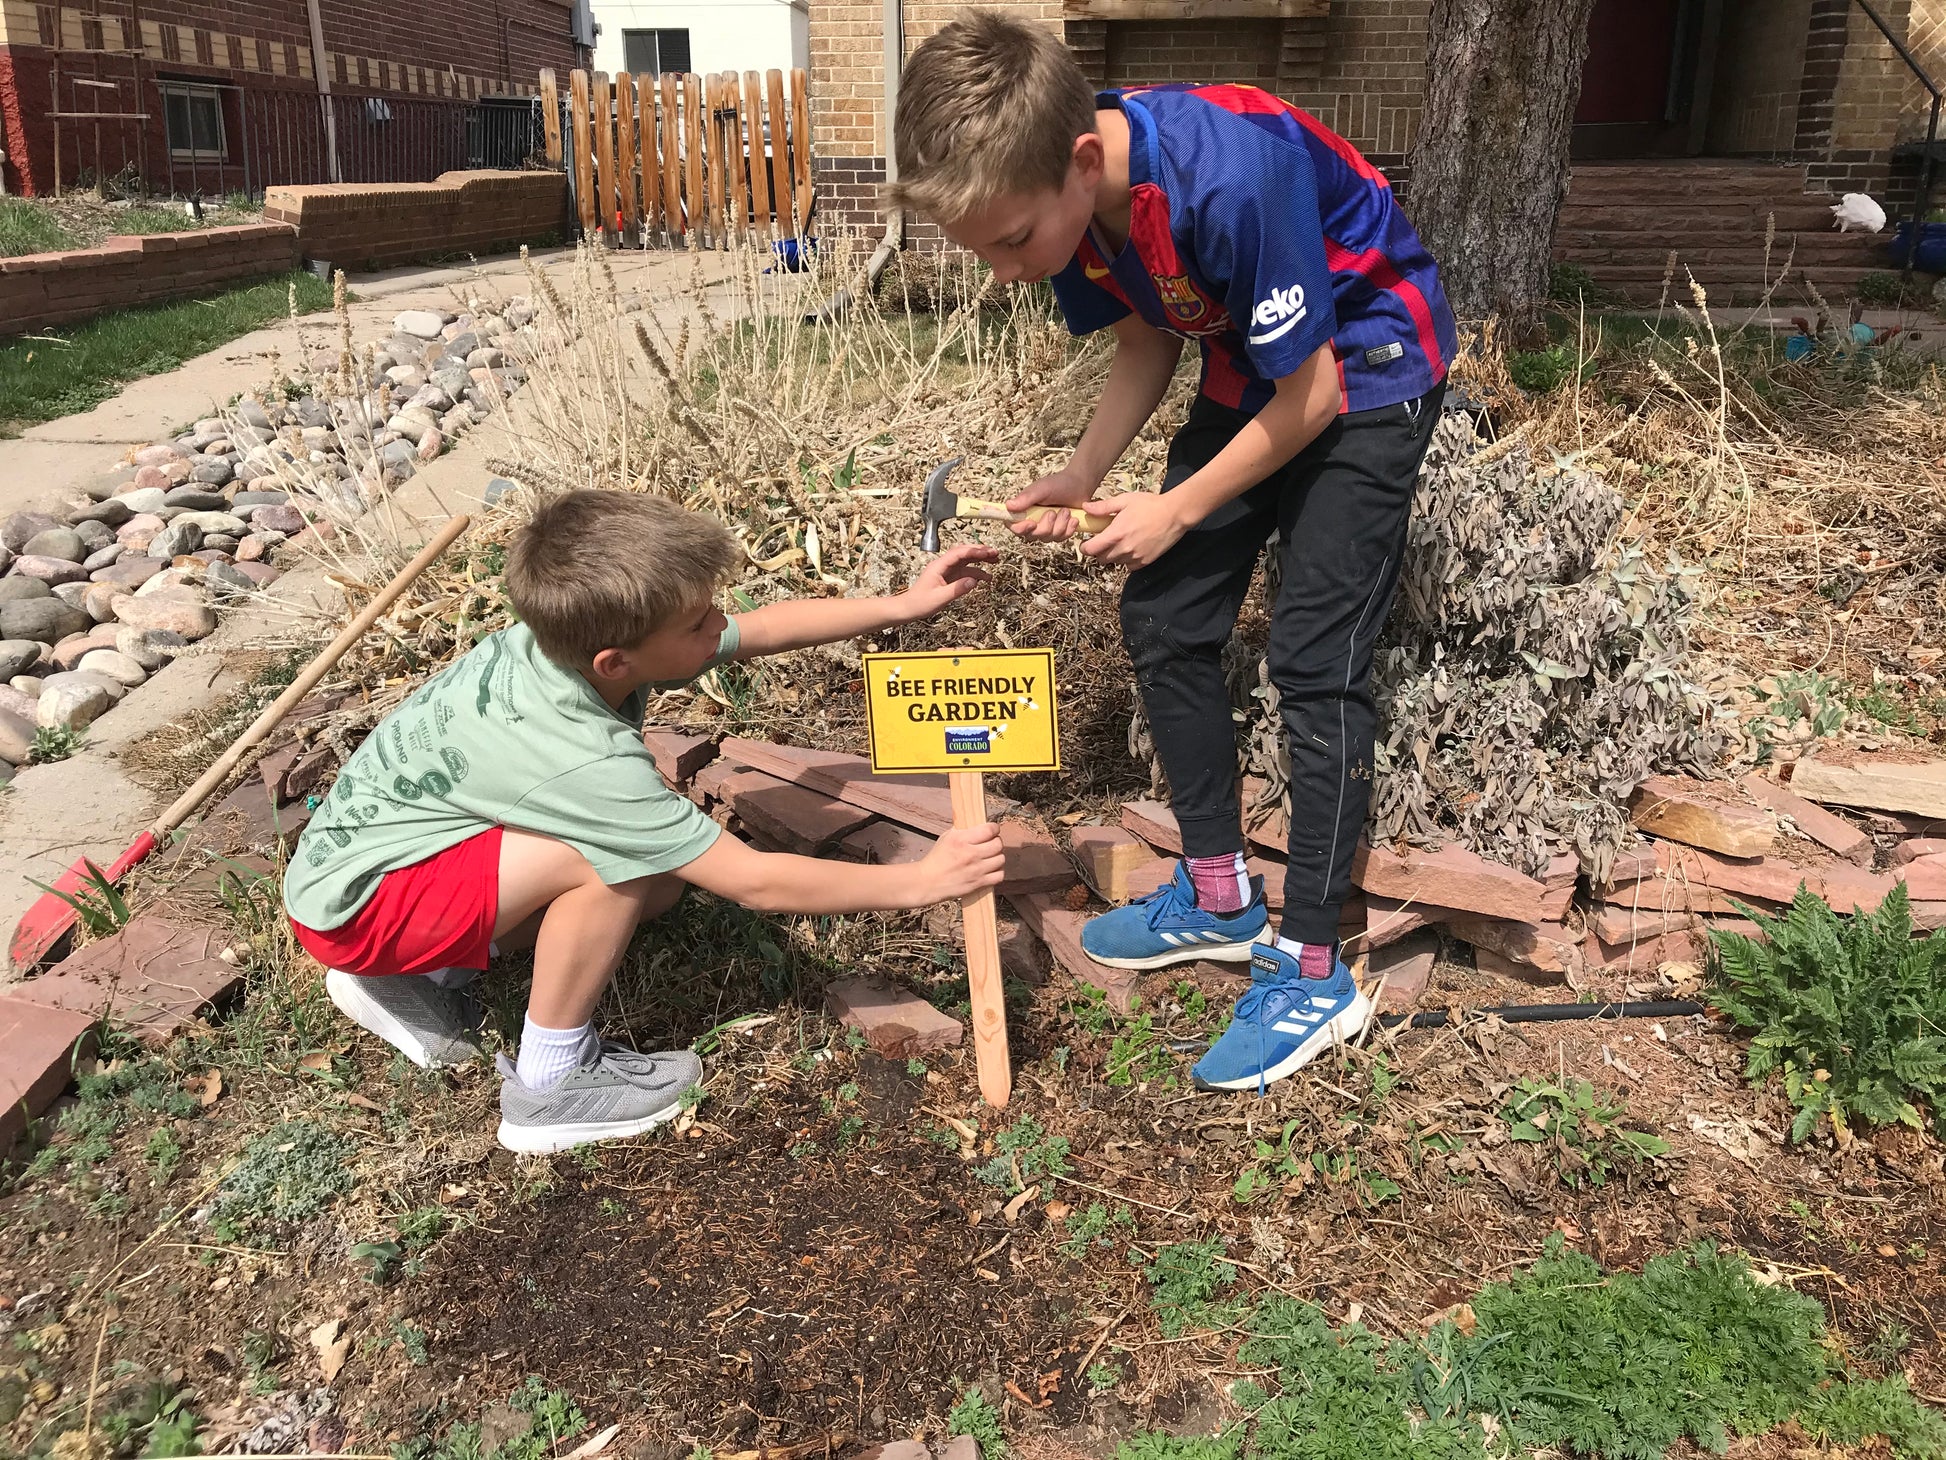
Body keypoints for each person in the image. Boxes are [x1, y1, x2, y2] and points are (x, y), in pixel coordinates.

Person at [887, 15, 1457, 1092]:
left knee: (1311, 657)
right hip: (1261, 365)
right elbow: (1146, 332)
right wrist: (1084, 471)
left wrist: (1177, 506)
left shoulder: (1229, 176)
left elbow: (1318, 395)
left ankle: (1312, 966)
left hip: (1369, 364)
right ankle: (1217, 892)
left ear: (1081, 165)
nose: (1008, 273)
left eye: (1010, 243)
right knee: (1162, 616)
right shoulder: (1067, 193)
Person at [283, 491, 1006, 1152]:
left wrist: (902, 606)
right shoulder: (583, 759)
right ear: (616, 659)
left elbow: (755, 631)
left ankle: (420, 976)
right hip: (358, 910)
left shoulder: (551, 645)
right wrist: (922, 882)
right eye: (699, 623)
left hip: (353, 872)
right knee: (610, 860)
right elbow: (751, 881)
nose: (719, 626)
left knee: (658, 882)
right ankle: (549, 1088)